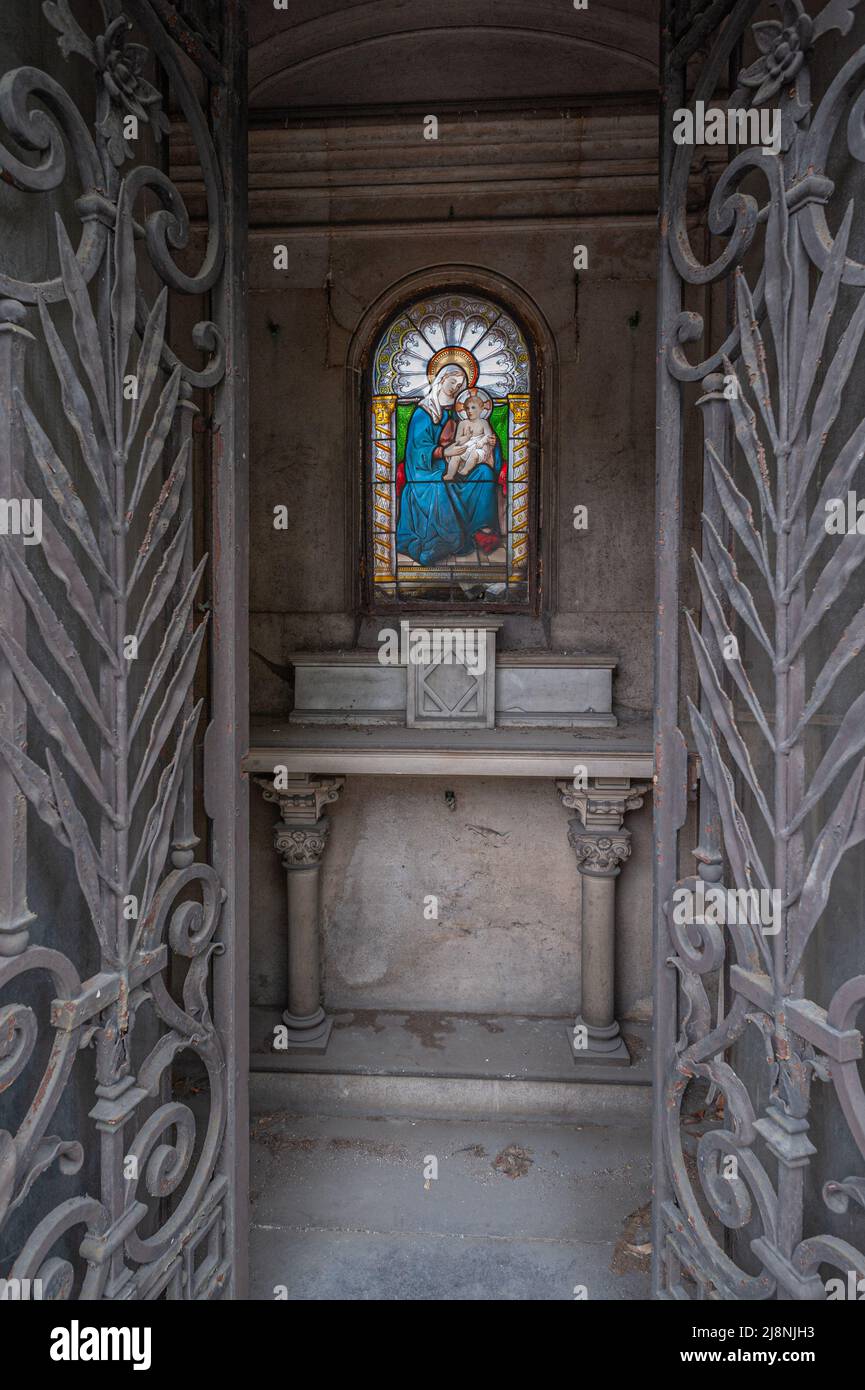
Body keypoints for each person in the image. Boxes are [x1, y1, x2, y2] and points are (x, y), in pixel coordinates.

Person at [396, 363, 501, 566]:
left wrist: (490, 444)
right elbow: (417, 451)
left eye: (460, 384)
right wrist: (444, 452)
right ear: (441, 380)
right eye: (452, 381)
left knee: (483, 473)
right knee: (439, 482)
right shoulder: (424, 413)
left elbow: (479, 436)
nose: (455, 387)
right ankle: (446, 539)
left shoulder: (461, 412)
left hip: (460, 464)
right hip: (425, 472)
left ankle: (480, 532)